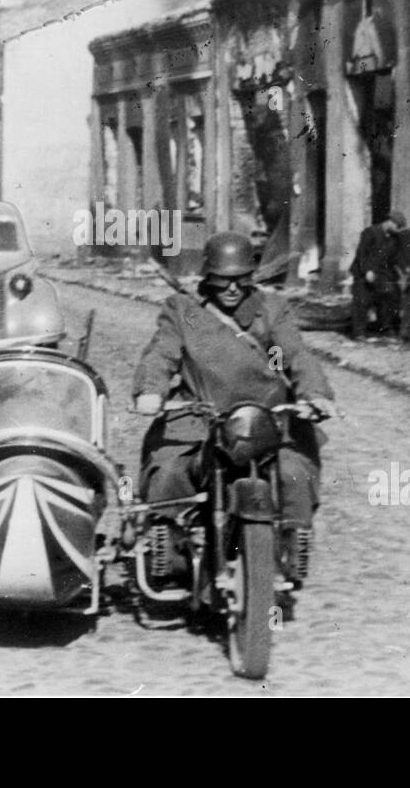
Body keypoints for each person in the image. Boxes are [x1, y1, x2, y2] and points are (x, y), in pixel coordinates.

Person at [132, 231, 337, 585]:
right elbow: (162, 353)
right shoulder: (183, 310)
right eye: (222, 280)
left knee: (294, 470)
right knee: (169, 469)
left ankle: (293, 536)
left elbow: (296, 354)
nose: (232, 289)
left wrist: (314, 394)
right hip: (200, 418)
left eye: (241, 280)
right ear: (207, 277)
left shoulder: (272, 310)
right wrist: (151, 391)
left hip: (264, 419)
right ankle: (168, 537)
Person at [348, 210, 407, 337]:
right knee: (362, 300)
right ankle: (359, 332)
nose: (397, 230)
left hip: (382, 273)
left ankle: (385, 326)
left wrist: (403, 270)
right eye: (397, 226)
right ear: (390, 221)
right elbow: (362, 254)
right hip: (363, 272)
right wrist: (367, 271)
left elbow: (395, 258)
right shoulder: (370, 232)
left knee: (390, 295)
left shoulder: (394, 239)